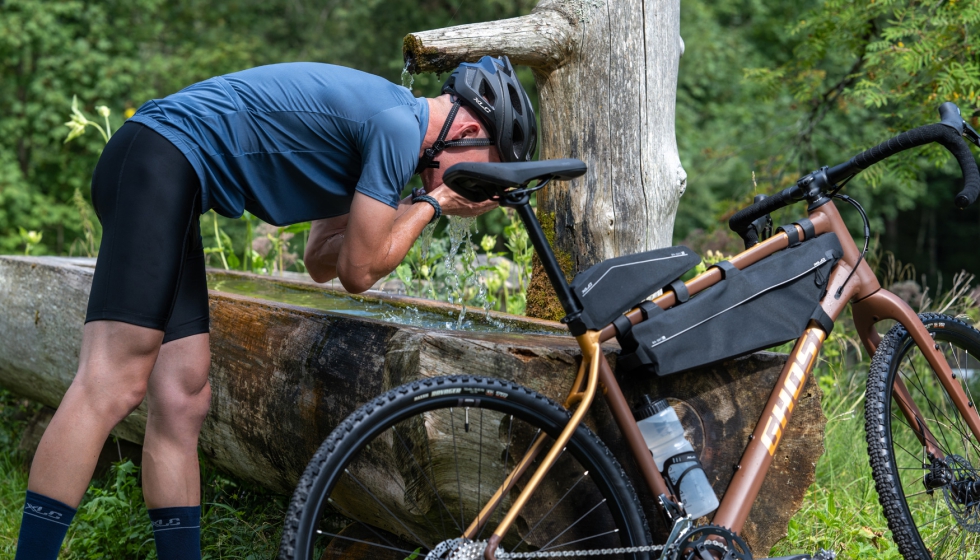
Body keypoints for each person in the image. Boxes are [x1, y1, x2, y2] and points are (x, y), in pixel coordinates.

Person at [15, 55, 536, 560]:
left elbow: (321, 260)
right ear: (468, 132)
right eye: (485, 173)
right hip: (157, 158)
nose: (482, 193)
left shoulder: (390, 134)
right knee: (109, 382)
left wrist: (410, 208)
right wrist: (435, 203)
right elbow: (358, 275)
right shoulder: (397, 125)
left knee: (182, 397)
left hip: (171, 176)